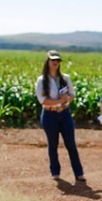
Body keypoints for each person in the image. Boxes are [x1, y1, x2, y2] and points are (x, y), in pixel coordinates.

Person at [35, 50, 86, 182]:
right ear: (48, 62)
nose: (56, 63)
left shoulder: (65, 78)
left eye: (58, 61)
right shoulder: (42, 80)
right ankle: (55, 172)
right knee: (53, 144)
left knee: (71, 144)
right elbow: (43, 100)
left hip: (64, 113)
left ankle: (79, 173)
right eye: (53, 60)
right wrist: (60, 100)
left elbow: (72, 95)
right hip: (49, 114)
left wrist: (66, 98)